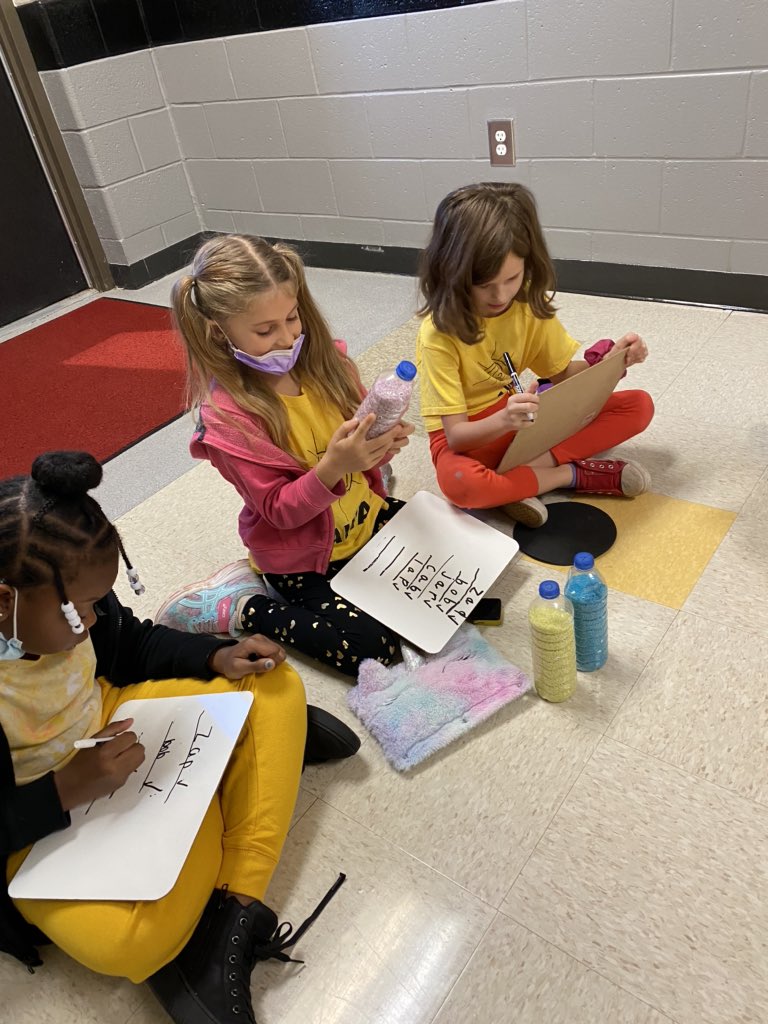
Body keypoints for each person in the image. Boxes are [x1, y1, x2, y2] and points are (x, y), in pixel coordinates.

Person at [0, 450, 359, 1024]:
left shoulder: (65, 590)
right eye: (80, 611)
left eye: (98, 603)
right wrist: (64, 790)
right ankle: (249, 770)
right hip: (35, 815)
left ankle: (232, 911)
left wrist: (216, 655)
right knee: (125, 946)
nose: (92, 622)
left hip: (111, 719)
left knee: (274, 683)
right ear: (4, 601)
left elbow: (132, 644)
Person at [156, 235, 414, 678]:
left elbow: (363, 453)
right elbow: (279, 511)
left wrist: (378, 446)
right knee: (374, 650)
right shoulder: (229, 421)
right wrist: (335, 466)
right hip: (300, 557)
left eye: (292, 317)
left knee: (463, 566)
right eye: (265, 331)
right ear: (219, 331)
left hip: (362, 519)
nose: (288, 337)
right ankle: (243, 605)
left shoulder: (329, 366)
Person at [417, 182, 655, 528]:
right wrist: (505, 420)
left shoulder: (527, 301)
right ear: (450, 271)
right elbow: (456, 437)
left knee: (638, 406)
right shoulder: (438, 334)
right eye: (483, 285)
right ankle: (569, 476)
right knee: (460, 484)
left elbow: (562, 375)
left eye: (512, 278)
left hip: (520, 419)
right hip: (472, 436)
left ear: (528, 264)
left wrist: (612, 364)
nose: (500, 296)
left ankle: (517, 481)